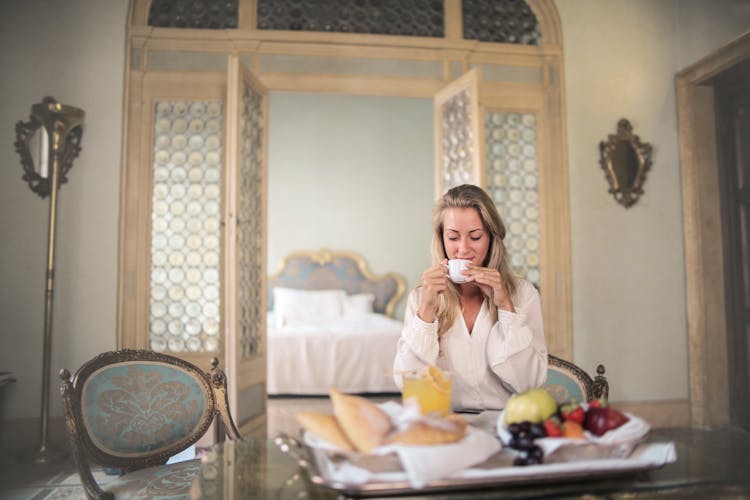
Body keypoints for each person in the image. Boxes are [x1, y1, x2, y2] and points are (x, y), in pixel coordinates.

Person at [393, 184, 547, 410]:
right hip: (446, 424)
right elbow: (407, 384)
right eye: (453, 237)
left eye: (475, 237)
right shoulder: (420, 298)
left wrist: (505, 306)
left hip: (506, 424)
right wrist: (426, 310)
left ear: (492, 239)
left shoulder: (523, 294)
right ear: (441, 239)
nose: (463, 250)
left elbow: (530, 384)